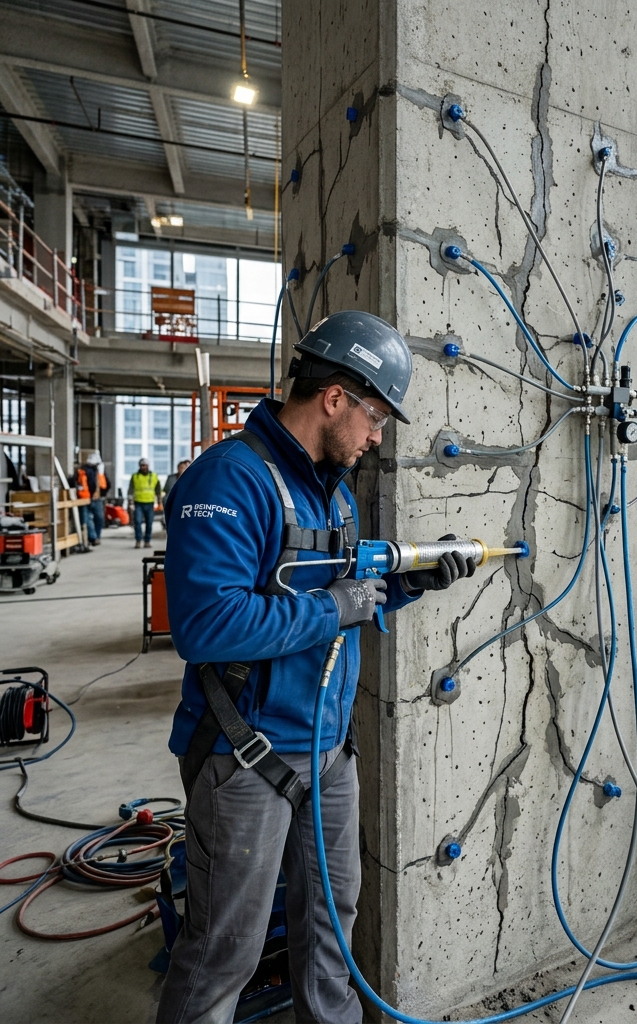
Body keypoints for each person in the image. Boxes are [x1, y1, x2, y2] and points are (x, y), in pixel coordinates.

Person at [156, 311, 477, 1024]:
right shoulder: (229, 479)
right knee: (224, 951)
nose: (377, 436)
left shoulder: (332, 491)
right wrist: (338, 606)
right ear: (335, 398)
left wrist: (409, 581)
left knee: (333, 930)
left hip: (329, 753)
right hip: (247, 755)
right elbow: (208, 626)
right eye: (376, 417)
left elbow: (343, 591)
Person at [130, 457, 161, 549]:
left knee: (149, 523)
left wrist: (159, 502)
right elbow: (131, 490)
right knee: (137, 522)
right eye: (142, 465)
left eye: (145, 465)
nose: (144, 467)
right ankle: (138, 540)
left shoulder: (154, 476)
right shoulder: (135, 476)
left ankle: (147, 541)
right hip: (138, 503)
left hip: (150, 503)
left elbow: (158, 490)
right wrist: (130, 502)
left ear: (148, 466)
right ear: (139, 466)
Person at [83, 452, 108, 547]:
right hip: (87, 498)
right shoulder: (85, 471)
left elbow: (104, 485)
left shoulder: (100, 472)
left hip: (96, 498)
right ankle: (93, 537)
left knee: (98, 518)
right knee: (88, 519)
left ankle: (96, 537)